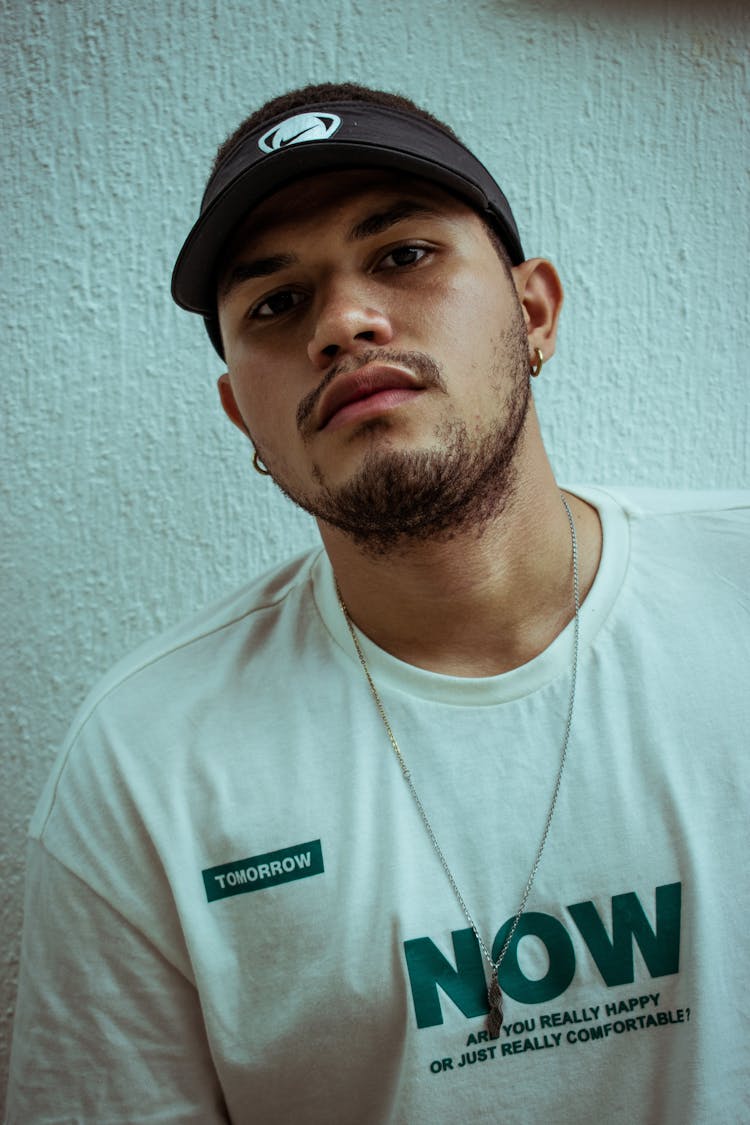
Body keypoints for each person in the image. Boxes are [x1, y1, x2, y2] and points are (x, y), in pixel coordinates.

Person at [6, 82, 749, 1124]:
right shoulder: (147, 765)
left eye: (403, 255)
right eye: (275, 304)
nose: (344, 324)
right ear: (242, 416)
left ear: (534, 311)